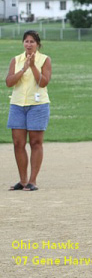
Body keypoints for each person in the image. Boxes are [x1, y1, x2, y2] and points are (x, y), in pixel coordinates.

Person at [6, 30, 52, 192]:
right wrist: (23, 69)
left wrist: (33, 67)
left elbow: (44, 82)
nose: (29, 44)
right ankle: (23, 180)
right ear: (23, 43)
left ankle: (33, 180)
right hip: (17, 105)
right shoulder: (16, 60)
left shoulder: (44, 60)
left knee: (35, 142)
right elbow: (9, 82)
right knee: (18, 143)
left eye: (32, 42)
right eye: (26, 41)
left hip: (38, 105)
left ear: (37, 44)